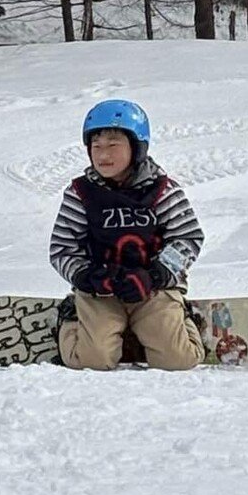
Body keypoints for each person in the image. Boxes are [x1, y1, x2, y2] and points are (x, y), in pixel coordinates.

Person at [50, 99, 205, 371]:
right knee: (92, 360)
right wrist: (86, 276)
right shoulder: (81, 194)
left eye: (113, 145)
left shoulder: (163, 190)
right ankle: (71, 319)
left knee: (178, 360)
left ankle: (182, 319)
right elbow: (63, 247)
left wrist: (156, 274)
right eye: (95, 147)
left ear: (137, 148)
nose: (103, 154)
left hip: (154, 288)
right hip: (101, 291)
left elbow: (187, 238)